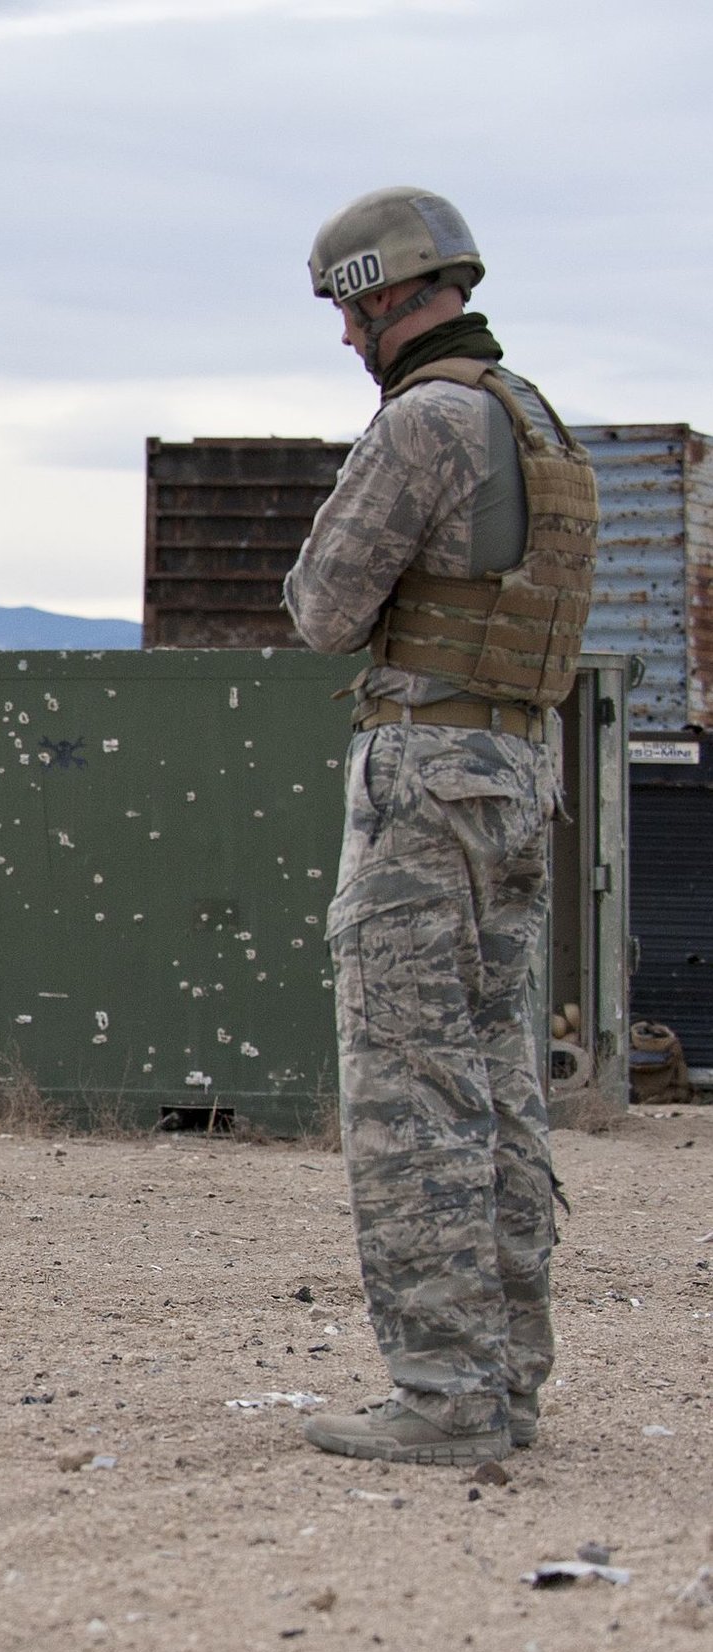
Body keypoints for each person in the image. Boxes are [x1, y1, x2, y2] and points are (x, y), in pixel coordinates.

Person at [283, 188, 599, 1464]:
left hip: (424, 775)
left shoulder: (424, 422)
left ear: (378, 296)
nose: (346, 341)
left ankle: (443, 1395)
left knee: (410, 1089)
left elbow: (321, 607)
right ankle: (507, 1379)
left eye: (345, 314)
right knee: (498, 1082)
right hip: (522, 769)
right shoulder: (536, 420)